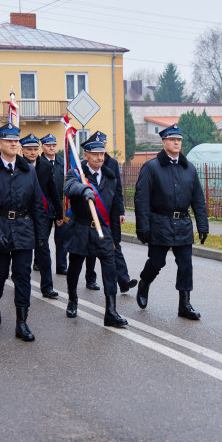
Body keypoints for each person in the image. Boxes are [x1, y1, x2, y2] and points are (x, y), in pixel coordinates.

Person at [133, 124, 208, 320]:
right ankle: (144, 282)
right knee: (157, 262)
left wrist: (203, 225)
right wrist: (143, 226)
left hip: (183, 224)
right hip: (159, 223)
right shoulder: (151, 167)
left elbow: (198, 200)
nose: (176, 143)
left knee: (185, 265)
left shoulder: (189, 168)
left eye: (179, 140)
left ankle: (184, 305)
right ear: (164, 142)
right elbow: (141, 199)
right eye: (172, 140)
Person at [0, 124, 42, 341]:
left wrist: (41, 235)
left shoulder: (29, 170)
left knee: (23, 276)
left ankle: (21, 323)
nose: (14, 144)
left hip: (23, 228)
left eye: (17, 141)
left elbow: (36, 204)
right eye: (9, 141)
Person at [63, 132, 128, 328]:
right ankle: (73, 300)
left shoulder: (110, 175)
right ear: (86, 155)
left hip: (104, 232)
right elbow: (69, 188)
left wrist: (115, 238)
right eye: (95, 154)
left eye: (102, 153)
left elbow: (115, 206)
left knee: (109, 270)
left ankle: (111, 311)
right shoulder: (76, 174)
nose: (100, 158)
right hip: (81, 228)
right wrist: (84, 190)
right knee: (75, 267)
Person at [84, 144, 137, 294]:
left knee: (115, 245)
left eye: (103, 147)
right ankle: (90, 277)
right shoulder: (83, 167)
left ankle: (124, 280)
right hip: (91, 215)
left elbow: (117, 190)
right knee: (90, 250)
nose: (100, 155)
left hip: (108, 214)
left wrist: (120, 211)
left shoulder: (112, 164)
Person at [21, 134, 63, 299]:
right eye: (29, 149)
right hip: (22, 216)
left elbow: (53, 190)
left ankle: (47, 287)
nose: (32, 152)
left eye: (35, 149)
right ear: (22, 150)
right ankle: (21, 283)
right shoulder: (17, 165)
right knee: (23, 254)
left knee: (44, 251)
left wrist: (59, 213)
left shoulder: (45, 166)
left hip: (41, 216)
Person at [37, 134, 69, 276]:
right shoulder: (38, 163)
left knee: (61, 238)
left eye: (54, 145)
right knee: (42, 237)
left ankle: (62, 266)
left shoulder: (63, 163)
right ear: (42, 147)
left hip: (60, 205)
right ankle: (38, 262)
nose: (51, 148)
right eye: (48, 145)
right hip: (43, 205)